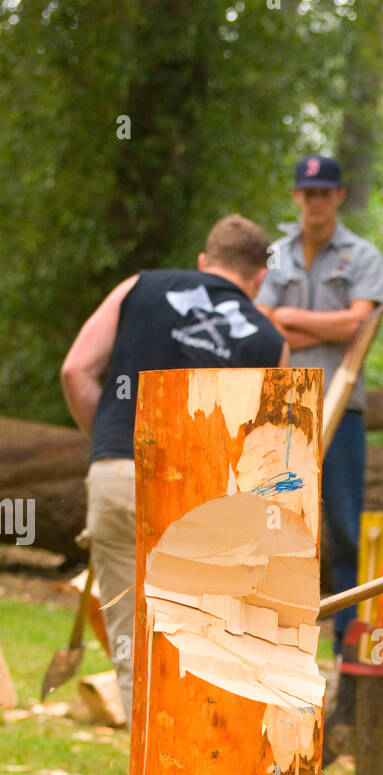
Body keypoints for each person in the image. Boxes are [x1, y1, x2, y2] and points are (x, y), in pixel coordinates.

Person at [60, 215, 287, 721]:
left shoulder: (138, 287)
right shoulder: (269, 340)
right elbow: (269, 448)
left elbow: (75, 371)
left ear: (205, 261)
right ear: (259, 277)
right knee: (205, 644)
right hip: (206, 496)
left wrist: (110, 442)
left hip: (119, 472)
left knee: (133, 645)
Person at [256, 155, 383, 654]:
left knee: (344, 526)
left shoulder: (361, 256)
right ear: (297, 197)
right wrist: (323, 322)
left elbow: (358, 324)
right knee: (280, 519)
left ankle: (348, 638)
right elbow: (262, 322)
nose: (314, 202)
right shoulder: (275, 253)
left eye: (323, 193)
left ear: (338, 196)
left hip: (342, 409)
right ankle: (281, 635)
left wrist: (287, 317)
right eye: (306, 193)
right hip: (282, 407)